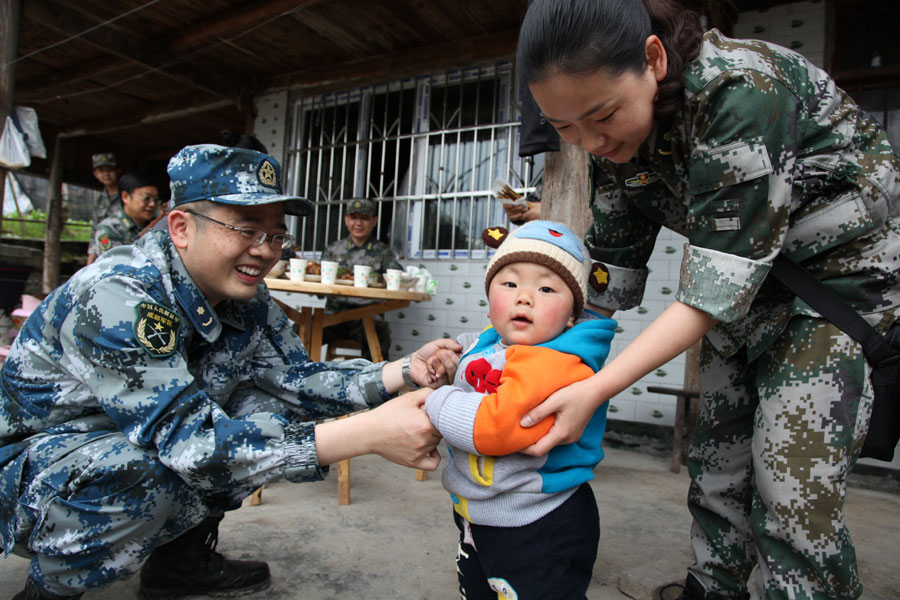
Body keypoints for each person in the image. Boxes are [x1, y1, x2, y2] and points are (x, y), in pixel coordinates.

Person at [514, 1, 900, 599]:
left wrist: (595, 388)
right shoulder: (614, 145)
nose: (591, 141)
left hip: (831, 293)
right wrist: (540, 364)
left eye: (602, 115)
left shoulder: (740, 93)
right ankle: (712, 587)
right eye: (565, 128)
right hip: (738, 294)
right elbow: (608, 277)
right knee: (718, 464)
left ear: (652, 59)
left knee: (791, 487)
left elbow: (713, 291)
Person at [0, 144, 460, 600]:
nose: (263, 251)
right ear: (181, 227)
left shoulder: (245, 297)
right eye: (245, 230)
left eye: (276, 235)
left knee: (260, 407)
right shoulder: (120, 296)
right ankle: (49, 593)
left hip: (119, 444)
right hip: (30, 474)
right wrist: (366, 435)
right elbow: (193, 445)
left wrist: (403, 371)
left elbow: (295, 382)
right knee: (152, 465)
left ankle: (178, 566)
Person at [424, 220, 617, 600]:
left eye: (546, 288)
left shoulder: (559, 361)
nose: (524, 297)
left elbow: (494, 427)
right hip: (481, 513)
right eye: (509, 283)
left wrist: (433, 400)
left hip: (539, 522)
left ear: (571, 316)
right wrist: (452, 365)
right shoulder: (492, 341)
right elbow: (484, 357)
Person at [320, 197, 405, 360]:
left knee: (379, 332)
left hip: (367, 315)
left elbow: (396, 277)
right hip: (333, 314)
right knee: (302, 330)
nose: (358, 223)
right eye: (354, 217)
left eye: (364, 218)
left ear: (374, 221)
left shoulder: (383, 251)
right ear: (346, 220)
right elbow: (319, 284)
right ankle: (299, 379)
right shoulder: (333, 250)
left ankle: (374, 381)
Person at [91, 172, 160, 257]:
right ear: (126, 197)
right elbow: (117, 263)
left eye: (155, 199)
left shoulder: (158, 225)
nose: (152, 204)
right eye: (146, 198)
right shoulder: (109, 228)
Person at [86, 152, 122, 265]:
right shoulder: (99, 200)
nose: (106, 174)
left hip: (123, 250)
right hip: (103, 253)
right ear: (95, 174)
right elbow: (95, 228)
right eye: (101, 171)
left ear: (118, 171)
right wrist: (91, 255)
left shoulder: (127, 196)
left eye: (110, 169)